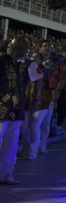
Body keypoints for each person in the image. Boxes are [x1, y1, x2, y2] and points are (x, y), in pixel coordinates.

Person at [0, 38, 30, 185]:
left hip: (16, 111)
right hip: (2, 110)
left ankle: (6, 174)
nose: (26, 53)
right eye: (24, 49)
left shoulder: (20, 66)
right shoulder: (1, 62)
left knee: (11, 146)